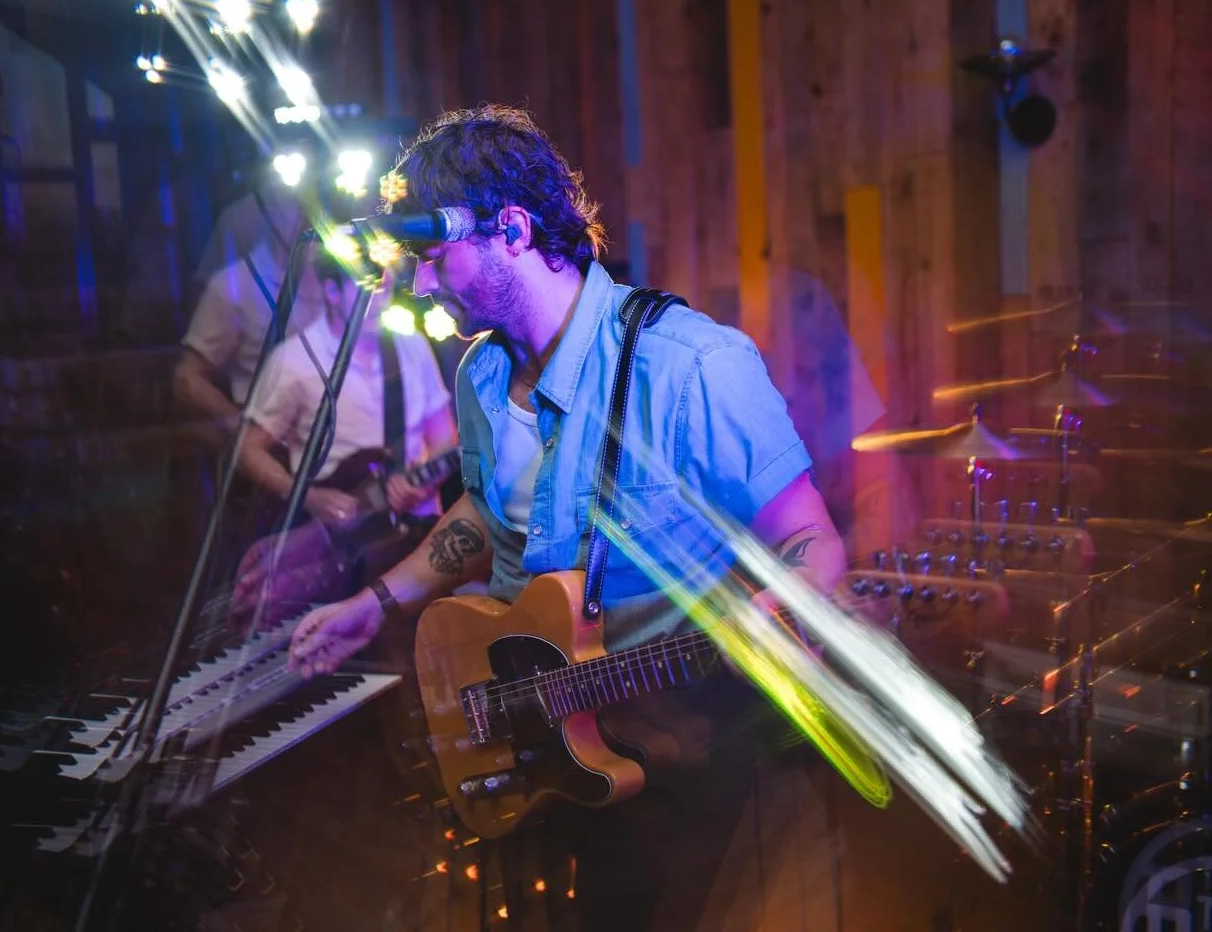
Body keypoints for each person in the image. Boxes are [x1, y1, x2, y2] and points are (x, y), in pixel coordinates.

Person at [285, 105, 848, 928]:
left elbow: (812, 542)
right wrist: (374, 603)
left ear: (512, 229)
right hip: (543, 753)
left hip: (687, 762)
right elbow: (486, 509)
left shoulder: (691, 364)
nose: (427, 285)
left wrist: (784, 607)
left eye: (439, 259)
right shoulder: (481, 375)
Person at [230, 247, 458, 616]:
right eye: (367, 290)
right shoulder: (295, 360)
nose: (380, 302)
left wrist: (421, 481)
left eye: (384, 290)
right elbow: (248, 449)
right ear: (331, 291)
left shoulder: (411, 345)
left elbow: (446, 439)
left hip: (421, 537)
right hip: (345, 548)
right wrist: (311, 496)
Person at [173, 182, 326, 438]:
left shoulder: (342, 276)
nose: (314, 220)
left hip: (340, 439)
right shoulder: (234, 285)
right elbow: (187, 379)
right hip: (275, 441)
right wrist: (241, 428)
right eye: (303, 210)